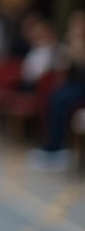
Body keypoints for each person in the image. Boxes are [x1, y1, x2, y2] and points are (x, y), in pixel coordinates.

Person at [29, 10, 85, 172]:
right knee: (54, 95)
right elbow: (63, 68)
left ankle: (58, 147)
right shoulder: (71, 44)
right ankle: (51, 146)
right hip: (73, 86)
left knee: (60, 100)